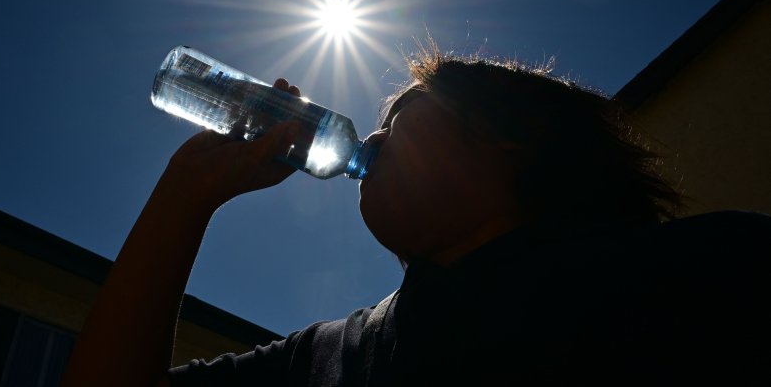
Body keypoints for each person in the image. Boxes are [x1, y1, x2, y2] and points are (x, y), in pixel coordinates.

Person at [62, 45, 771, 386]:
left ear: (506, 138)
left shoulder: (708, 272)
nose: (369, 139)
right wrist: (184, 195)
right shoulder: (330, 356)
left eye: (398, 117)